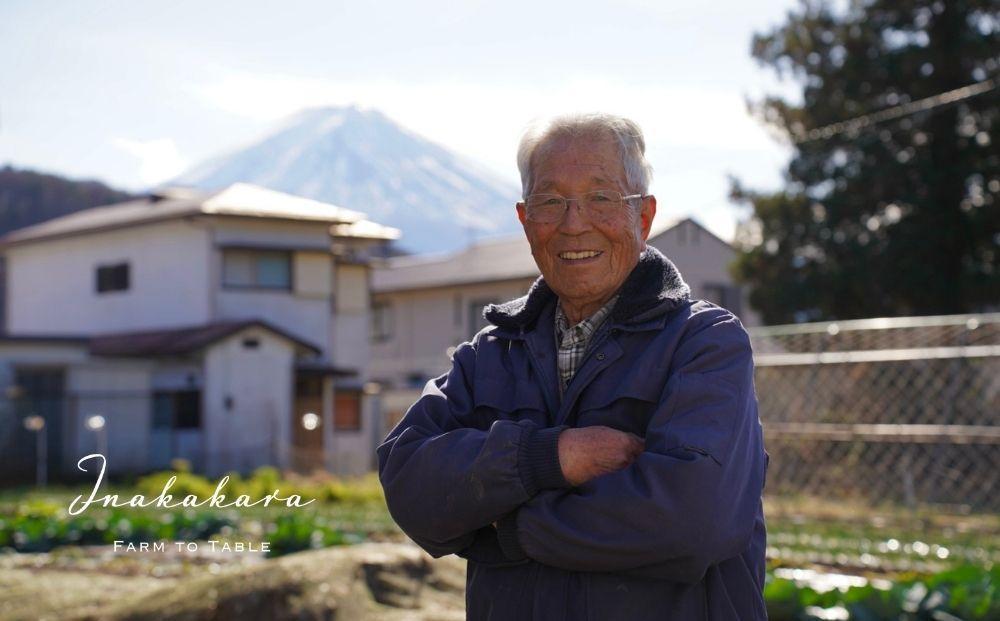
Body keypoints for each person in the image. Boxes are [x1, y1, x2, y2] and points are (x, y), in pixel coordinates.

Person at [377, 113, 768, 620]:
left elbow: (691, 522)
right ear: (525, 220)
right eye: (550, 202)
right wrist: (547, 457)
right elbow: (409, 483)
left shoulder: (704, 343)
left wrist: (507, 530)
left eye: (601, 198)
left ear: (643, 217)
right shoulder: (490, 353)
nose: (573, 222)